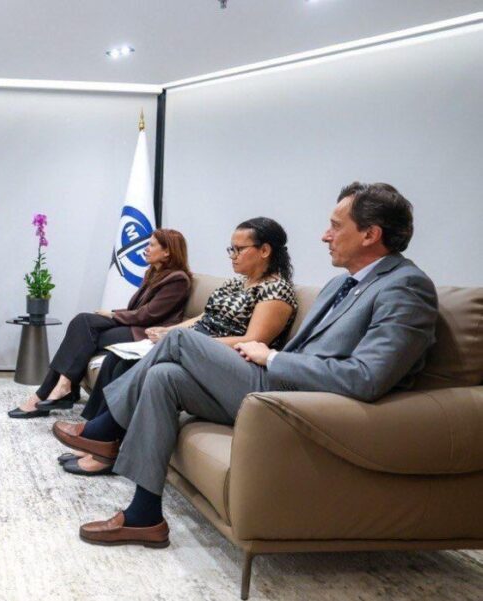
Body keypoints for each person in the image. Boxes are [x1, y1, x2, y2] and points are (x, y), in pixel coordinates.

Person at [56, 182, 437, 548]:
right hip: (277, 385)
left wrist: (271, 357)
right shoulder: (342, 284)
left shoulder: (405, 287)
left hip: (305, 401)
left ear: (370, 234)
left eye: (336, 226)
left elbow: (367, 378)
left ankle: (105, 428)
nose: (325, 236)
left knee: (178, 340)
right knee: (163, 376)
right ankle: (144, 516)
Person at [60, 217, 298, 476]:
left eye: (239, 249)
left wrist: (193, 345)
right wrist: (170, 331)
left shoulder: (277, 291)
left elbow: (253, 341)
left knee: (138, 364)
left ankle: (102, 435)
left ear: (265, 250)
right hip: (197, 343)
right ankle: (100, 443)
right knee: (117, 361)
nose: (233, 255)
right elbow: (204, 318)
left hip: (226, 361)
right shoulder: (236, 283)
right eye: (231, 249)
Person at [8, 229, 193, 419]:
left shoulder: (178, 280)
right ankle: (62, 388)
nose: (146, 249)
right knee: (82, 322)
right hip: (134, 325)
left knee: (84, 334)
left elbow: (148, 314)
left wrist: (113, 315)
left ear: (167, 251)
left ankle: (49, 393)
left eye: (152, 245)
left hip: (145, 334)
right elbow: (137, 309)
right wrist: (114, 313)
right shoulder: (154, 274)